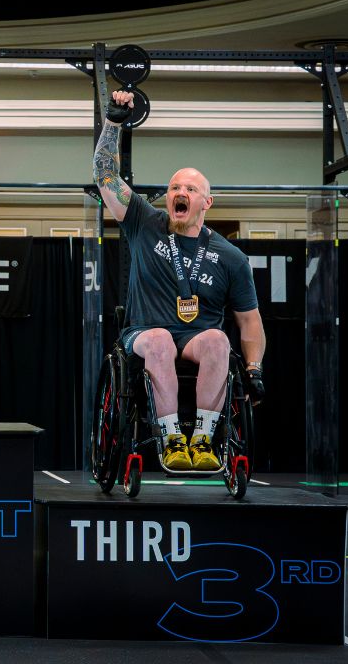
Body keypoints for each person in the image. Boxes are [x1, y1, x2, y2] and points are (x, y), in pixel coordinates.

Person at [92, 90, 265, 471]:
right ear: (168, 197)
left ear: (207, 202)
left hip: (196, 340)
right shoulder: (144, 222)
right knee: (159, 339)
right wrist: (113, 123)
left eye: (190, 189)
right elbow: (105, 175)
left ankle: (203, 439)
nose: (180, 193)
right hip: (144, 332)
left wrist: (254, 369)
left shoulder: (230, 257)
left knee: (219, 340)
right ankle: (171, 439)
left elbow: (250, 321)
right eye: (174, 188)